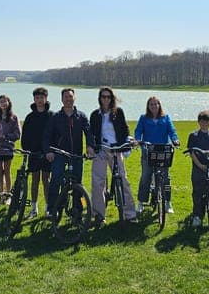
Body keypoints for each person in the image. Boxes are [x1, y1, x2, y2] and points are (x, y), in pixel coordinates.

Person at [89, 87, 137, 225]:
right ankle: (99, 215)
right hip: (101, 150)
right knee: (98, 182)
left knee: (123, 180)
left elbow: (125, 129)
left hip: (116, 149)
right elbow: (91, 134)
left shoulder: (118, 112)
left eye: (108, 97)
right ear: (100, 98)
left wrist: (128, 142)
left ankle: (130, 214)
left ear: (112, 99)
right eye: (103, 97)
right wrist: (91, 147)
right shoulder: (95, 115)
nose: (106, 99)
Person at [43, 88, 94, 216]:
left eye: (70, 97)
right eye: (66, 97)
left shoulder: (81, 116)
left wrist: (90, 146)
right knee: (56, 179)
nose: (68, 99)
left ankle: (78, 210)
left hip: (76, 154)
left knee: (78, 183)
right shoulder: (56, 117)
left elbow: (89, 132)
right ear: (62, 99)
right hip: (59, 153)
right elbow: (47, 136)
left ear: (74, 98)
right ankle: (52, 209)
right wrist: (48, 151)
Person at [134, 96, 180, 215]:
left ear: (159, 105)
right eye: (151, 104)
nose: (154, 106)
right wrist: (137, 140)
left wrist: (175, 140)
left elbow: (172, 131)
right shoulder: (143, 118)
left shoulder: (165, 118)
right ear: (148, 106)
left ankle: (167, 202)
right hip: (148, 150)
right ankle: (141, 202)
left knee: (165, 177)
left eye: (156, 104)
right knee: (145, 177)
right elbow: (138, 131)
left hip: (162, 151)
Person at [20, 87, 54, 218]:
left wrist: (50, 150)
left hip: (47, 153)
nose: (40, 100)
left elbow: (54, 135)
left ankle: (48, 208)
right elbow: (25, 136)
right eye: (37, 98)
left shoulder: (51, 115)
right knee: (34, 180)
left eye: (42, 97)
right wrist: (26, 149)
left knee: (47, 180)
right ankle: (34, 208)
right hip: (34, 153)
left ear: (46, 99)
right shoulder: (30, 117)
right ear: (34, 99)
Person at [0, 95, 21, 204]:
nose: (3, 104)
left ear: (9, 103)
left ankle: (8, 195)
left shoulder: (14, 118)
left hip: (7, 148)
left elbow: (17, 134)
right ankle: (1, 194)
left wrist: (6, 136)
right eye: (1, 102)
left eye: (5, 102)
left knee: (7, 170)